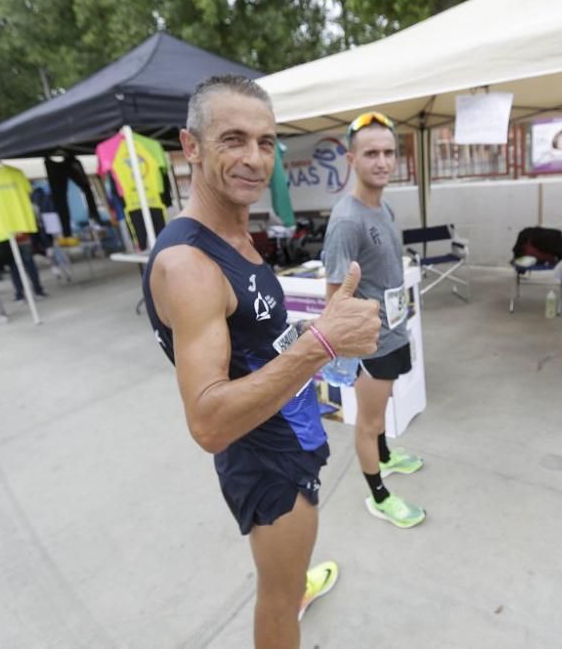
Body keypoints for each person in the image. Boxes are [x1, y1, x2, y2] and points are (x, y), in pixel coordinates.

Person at [142, 75, 381, 649]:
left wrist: (312, 336)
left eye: (267, 142)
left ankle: (296, 579)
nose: (255, 159)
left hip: (286, 434)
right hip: (264, 461)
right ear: (191, 146)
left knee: (289, 574)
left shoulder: (235, 234)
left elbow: (251, 341)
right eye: (233, 140)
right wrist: (321, 343)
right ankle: (291, 590)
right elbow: (208, 422)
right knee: (276, 603)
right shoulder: (190, 265)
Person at [322, 111, 427, 529]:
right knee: (367, 422)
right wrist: (353, 348)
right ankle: (379, 496)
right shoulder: (347, 221)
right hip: (369, 343)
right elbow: (335, 302)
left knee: (381, 412)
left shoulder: (383, 207)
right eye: (371, 154)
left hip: (394, 330)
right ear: (351, 159)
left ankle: (385, 455)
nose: (382, 162)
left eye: (388, 152)